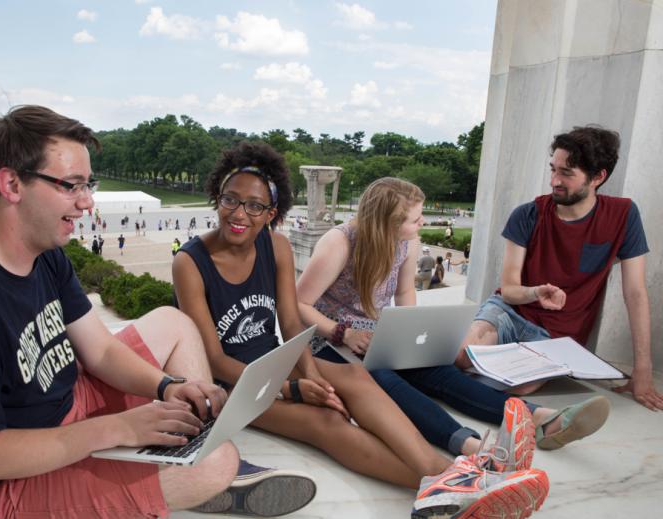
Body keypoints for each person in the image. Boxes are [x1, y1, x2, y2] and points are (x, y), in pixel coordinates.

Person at [0, 105, 241, 519]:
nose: (87, 203)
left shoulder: (43, 249)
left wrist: (167, 387)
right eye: (71, 186)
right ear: (12, 184)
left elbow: (100, 351)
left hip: (63, 407)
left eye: (89, 184)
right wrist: (118, 429)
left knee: (174, 323)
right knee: (218, 463)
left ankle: (177, 456)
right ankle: (177, 476)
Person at [173, 143, 549, 518]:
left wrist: (316, 378)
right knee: (327, 421)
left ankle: (447, 483)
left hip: (273, 361)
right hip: (231, 385)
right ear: (216, 199)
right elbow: (215, 359)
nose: (239, 214)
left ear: (271, 212)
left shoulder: (277, 247)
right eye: (230, 200)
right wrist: (293, 390)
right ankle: (451, 478)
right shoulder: (190, 262)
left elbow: (290, 324)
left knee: (353, 375)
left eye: (254, 206)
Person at [296, 176, 609, 467]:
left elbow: (405, 291)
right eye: (415, 219)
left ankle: (540, 419)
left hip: (375, 333)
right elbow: (299, 303)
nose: (422, 223)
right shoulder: (339, 243)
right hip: (328, 338)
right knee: (385, 382)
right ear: (388, 223)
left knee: (440, 372)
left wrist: (408, 335)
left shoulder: (407, 242)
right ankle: (469, 445)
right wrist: (343, 332)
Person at [454, 126, 663, 411]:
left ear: (598, 177)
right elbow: (510, 290)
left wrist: (643, 368)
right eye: (554, 169)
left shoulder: (624, 215)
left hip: (557, 337)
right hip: (509, 312)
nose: (554, 181)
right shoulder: (528, 214)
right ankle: (444, 381)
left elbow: (636, 293)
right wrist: (535, 292)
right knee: (461, 355)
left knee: (518, 387)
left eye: (567, 173)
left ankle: (448, 385)